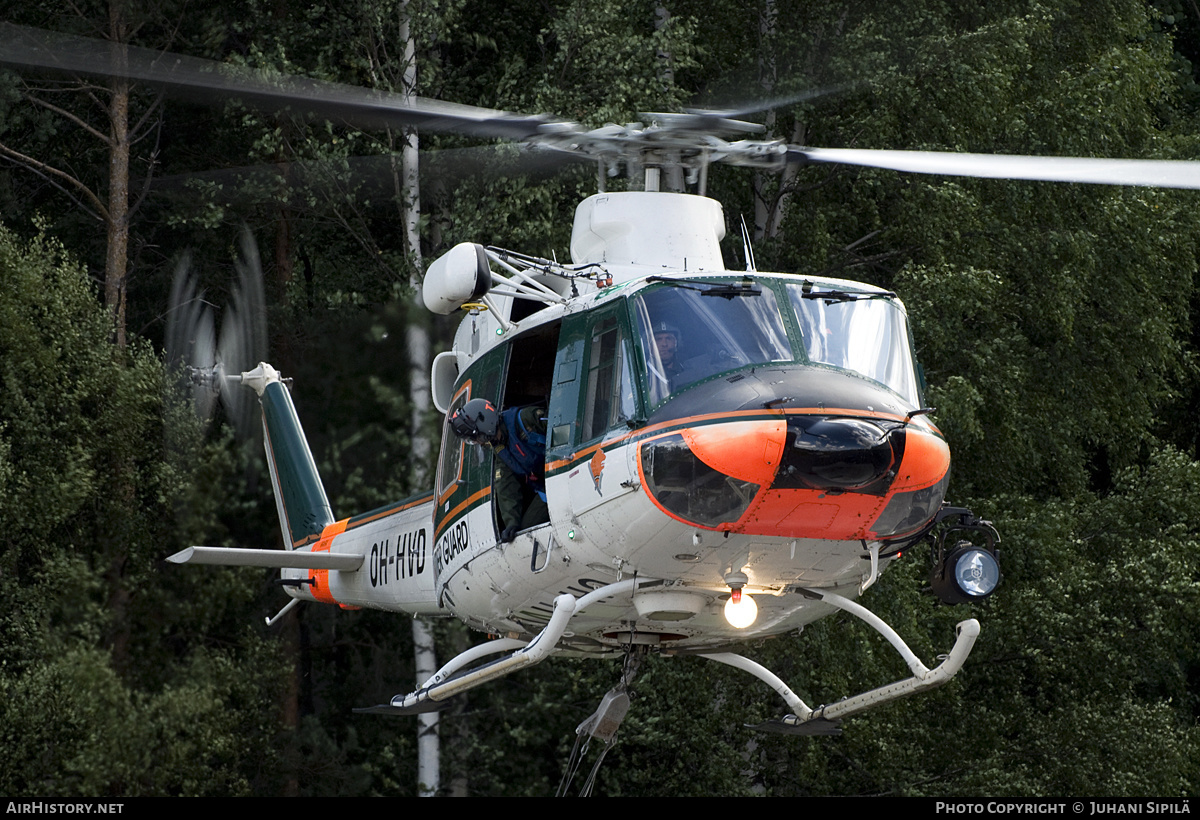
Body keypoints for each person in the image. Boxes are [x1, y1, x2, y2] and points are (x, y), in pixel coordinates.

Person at [449, 398, 548, 542]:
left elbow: (563, 427)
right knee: (528, 528)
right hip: (546, 488)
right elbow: (505, 484)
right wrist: (511, 523)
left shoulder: (525, 419)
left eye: (475, 436)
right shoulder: (499, 449)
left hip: (564, 472)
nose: (478, 442)